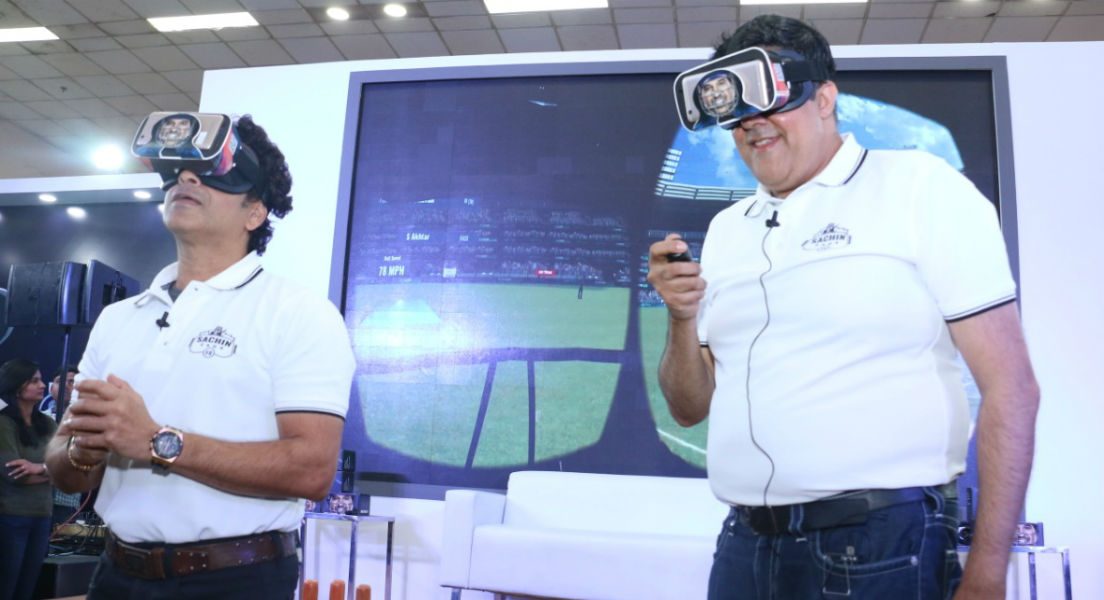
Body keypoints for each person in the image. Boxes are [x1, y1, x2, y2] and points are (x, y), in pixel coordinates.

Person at [647, 15, 1039, 600]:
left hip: (880, 545)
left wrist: (986, 575)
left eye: (771, 100)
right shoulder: (728, 230)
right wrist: (681, 319)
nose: (752, 123)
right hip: (745, 547)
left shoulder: (918, 187)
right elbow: (688, 408)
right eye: (737, 113)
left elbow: (1012, 388)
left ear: (825, 98)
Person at [45, 114, 356, 599]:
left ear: (255, 213)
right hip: (115, 574)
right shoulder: (119, 318)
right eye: (178, 172)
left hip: (233, 581)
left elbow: (312, 470)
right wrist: (80, 454)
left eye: (212, 173)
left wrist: (155, 441)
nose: (186, 178)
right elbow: (63, 465)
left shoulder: (298, 313)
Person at [0, 358, 55, 600]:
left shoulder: (48, 423)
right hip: (10, 516)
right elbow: (14, 475)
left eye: (40, 380)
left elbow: (68, 466)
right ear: (16, 386)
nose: (42, 385)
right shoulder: (3, 422)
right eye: (34, 381)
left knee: (27, 589)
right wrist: (52, 473)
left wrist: (38, 468)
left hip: (42, 516)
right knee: (6, 587)